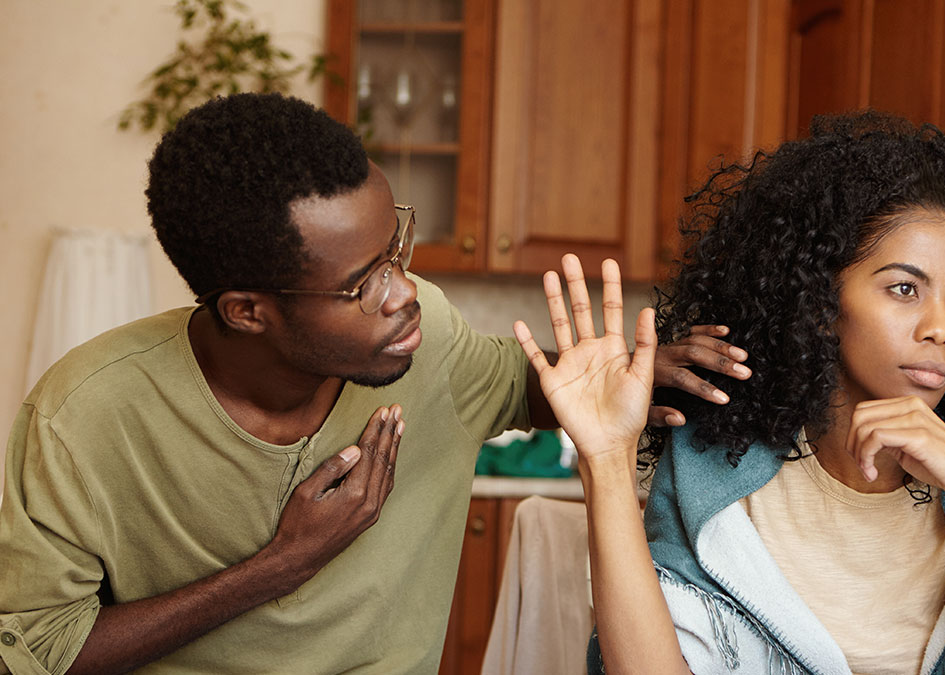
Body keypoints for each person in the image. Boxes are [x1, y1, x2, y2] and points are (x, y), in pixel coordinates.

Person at [0, 93, 745, 675]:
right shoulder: (81, 417)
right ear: (248, 312)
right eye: (363, 283)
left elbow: (521, 384)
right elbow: (40, 651)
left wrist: (641, 372)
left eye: (396, 250)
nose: (404, 292)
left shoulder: (432, 341)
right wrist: (281, 565)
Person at [515, 112, 945, 674]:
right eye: (905, 289)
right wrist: (606, 460)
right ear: (818, 303)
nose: (943, 328)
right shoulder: (716, 460)